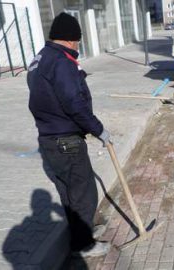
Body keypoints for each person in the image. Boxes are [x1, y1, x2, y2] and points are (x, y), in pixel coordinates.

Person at [27, 12, 112, 257]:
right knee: (84, 193)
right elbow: (74, 102)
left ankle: (81, 233)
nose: (78, 45)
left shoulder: (40, 58)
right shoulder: (62, 62)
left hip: (49, 139)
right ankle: (84, 245)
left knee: (69, 194)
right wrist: (99, 130)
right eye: (77, 40)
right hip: (66, 140)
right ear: (71, 39)